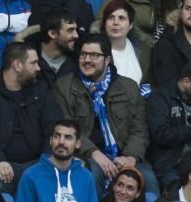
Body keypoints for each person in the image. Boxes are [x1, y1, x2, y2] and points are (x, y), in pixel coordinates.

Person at [51, 33, 155, 193]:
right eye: (83, 54)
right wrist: (95, 153)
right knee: (92, 175)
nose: (87, 60)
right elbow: (66, 128)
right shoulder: (63, 87)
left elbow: (139, 129)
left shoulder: (128, 87)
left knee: (148, 179)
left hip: (123, 154)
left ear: (107, 60)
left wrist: (130, 157)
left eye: (94, 55)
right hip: (86, 154)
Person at [0, 43, 62, 193]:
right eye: (33, 63)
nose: (39, 68)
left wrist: (46, 160)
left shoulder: (40, 89)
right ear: (17, 65)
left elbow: (52, 127)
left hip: (36, 163)